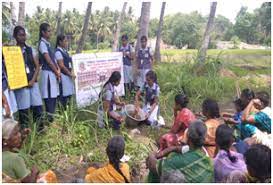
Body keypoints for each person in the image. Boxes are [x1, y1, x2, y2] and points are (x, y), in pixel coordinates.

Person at [146, 120, 214, 183]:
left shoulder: (176, 161)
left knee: (156, 172)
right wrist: (171, 149)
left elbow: (153, 165)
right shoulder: (208, 160)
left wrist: (152, 154)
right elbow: (179, 148)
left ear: (188, 137)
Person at [12, 26, 44, 130]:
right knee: (24, 110)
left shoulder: (31, 50)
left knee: (37, 107)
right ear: (15, 36)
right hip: (21, 86)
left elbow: (37, 66)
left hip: (32, 83)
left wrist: (33, 80)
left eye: (24, 35)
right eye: (20, 35)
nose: (23, 37)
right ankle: (25, 132)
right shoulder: (11, 52)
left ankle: (40, 130)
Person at [38, 23, 60, 123]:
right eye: (48, 31)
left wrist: (57, 70)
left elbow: (54, 60)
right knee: (49, 99)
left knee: (53, 97)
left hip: (52, 74)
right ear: (43, 32)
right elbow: (49, 61)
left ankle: (51, 120)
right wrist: (57, 72)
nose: (50, 33)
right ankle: (49, 121)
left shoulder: (48, 44)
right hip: (47, 74)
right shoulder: (42, 44)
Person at [55, 34, 76, 109]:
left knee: (69, 97)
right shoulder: (58, 52)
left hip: (68, 77)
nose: (67, 43)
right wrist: (70, 74)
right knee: (63, 97)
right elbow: (61, 66)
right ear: (60, 42)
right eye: (65, 41)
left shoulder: (65, 51)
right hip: (63, 77)